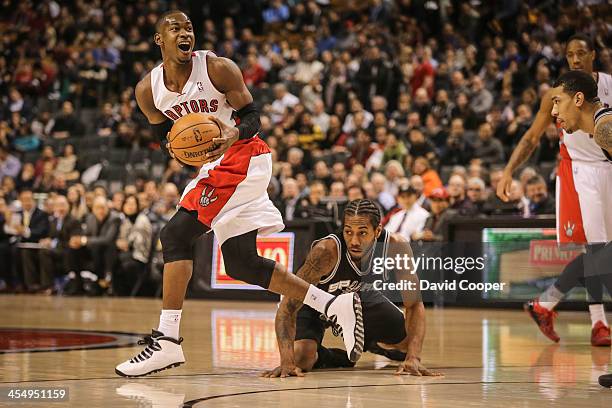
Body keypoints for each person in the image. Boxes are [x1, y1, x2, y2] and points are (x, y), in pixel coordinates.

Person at [116, 10, 364, 378]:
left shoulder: (217, 68)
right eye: (175, 28)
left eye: (189, 27)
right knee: (241, 263)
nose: (185, 33)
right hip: (215, 167)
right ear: (159, 40)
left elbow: (254, 115)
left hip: (245, 156)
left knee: (174, 235)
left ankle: (167, 341)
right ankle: (331, 304)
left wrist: (234, 133)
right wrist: (174, 147)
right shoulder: (146, 91)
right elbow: (164, 135)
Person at [497, 34, 612, 346]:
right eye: (569, 53)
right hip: (581, 173)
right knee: (598, 251)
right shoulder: (556, 93)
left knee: (603, 254)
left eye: (581, 53)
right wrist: (509, 170)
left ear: (594, 54)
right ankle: (597, 321)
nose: (575, 59)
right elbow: (532, 137)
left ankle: (546, 304)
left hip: (607, 167)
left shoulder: (607, 93)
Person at [262, 199, 441, 377]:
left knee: (407, 345)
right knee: (301, 358)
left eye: (362, 233)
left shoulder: (395, 246)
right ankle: (335, 357)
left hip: (358, 301)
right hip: (311, 303)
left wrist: (414, 357)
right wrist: (286, 361)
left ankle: (370, 342)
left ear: (377, 231)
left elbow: (414, 304)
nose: (354, 241)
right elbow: (287, 307)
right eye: (348, 232)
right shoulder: (326, 251)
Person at [548, 70, 612, 388]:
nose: (554, 111)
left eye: (557, 102)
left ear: (578, 99)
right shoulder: (600, 131)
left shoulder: (606, 128)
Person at [114, 195, 153, 296]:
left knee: (120, 262)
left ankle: (124, 293)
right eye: (127, 203)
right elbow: (121, 239)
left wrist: (123, 244)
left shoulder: (142, 220)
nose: (130, 206)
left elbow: (136, 243)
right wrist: (119, 243)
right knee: (112, 258)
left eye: (132, 204)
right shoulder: (126, 221)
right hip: (129, 254)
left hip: (140, 256)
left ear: (137, 206)